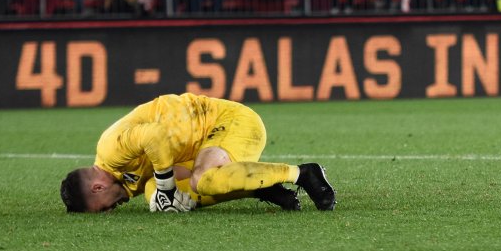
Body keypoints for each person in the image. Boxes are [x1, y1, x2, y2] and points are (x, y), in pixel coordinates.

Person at [60, 93, 336, 213]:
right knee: (154, 194)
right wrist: (162, 192)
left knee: (200, 180)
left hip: (231, 122)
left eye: (103, 208)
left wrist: (167, 187)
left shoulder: (110, 150)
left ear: (97, 188)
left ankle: (303, 173)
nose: (111, 210)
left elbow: (155, 136)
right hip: (204, 145)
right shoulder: (124, 181)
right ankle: (261, 188)